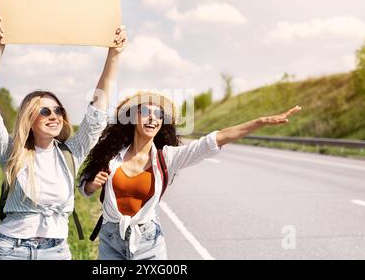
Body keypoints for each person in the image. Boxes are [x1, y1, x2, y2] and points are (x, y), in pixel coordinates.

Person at [79, 91, 301, 260]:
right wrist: (91, 186)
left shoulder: (167, 158)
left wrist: (259, 122)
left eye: (158, 115)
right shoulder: (111, 156)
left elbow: (213, 140)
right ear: (133, 117)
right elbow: (84, 186)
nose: (152, 118)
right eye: (145, 112)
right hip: (110, 239)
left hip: (147, 242)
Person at [0, 13, 127, 260]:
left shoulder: (71, 153)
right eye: (44, 111)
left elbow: (97, 110)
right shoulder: (12, 152)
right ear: (29, 118)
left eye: (58, 110)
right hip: (11, 249)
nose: (54, 115)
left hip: (55, 250)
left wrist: (114, 55)